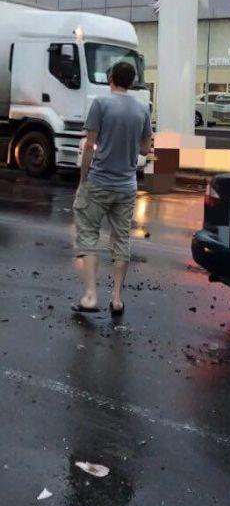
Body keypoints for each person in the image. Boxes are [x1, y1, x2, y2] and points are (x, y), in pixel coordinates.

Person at [72, 60, 152, 316]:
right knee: (121, 239)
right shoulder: (142, 109)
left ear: (111, 79)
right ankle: (117, 299)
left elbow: (89, 146)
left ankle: (90, 296)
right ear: (132, 82)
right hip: (127, 186)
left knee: (88, 235)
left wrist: (83, 181)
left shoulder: (100, 104)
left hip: (99, 182)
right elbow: (145, 149)